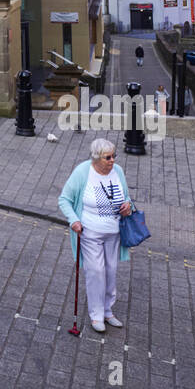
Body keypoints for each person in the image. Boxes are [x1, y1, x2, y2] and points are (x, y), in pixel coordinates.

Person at [58, 138, 134, 333]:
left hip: (114, 232)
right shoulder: (83, 172)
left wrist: (128, 206)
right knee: (96, 272)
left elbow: (126, 197)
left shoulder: (118, 172)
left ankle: (108, 311)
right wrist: (74, 220)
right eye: (108, 157)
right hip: (90, 232)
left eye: (114, 156)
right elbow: (64, 200)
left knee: (110, 271)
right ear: (96, 158)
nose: (112, 161)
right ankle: (96, 315)